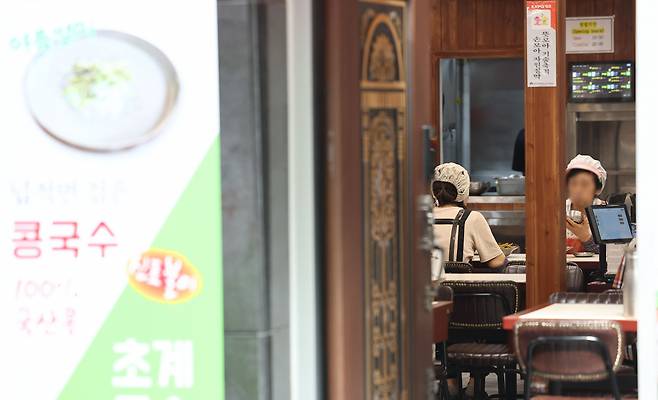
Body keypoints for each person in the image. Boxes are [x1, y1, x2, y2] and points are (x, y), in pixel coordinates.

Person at [432, 162, 507, 268]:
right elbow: (496, 261)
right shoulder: (471, 218)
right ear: (464, 192)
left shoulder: (421, 217)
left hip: (422, 283)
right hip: (456, 284)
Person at [565, 154, 607, 253]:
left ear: (597, 189)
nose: (578, 190)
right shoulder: (557, 210)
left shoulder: (606, 212)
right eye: (574, 183)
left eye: (585, 184)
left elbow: (612, 255)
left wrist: (586, 237)